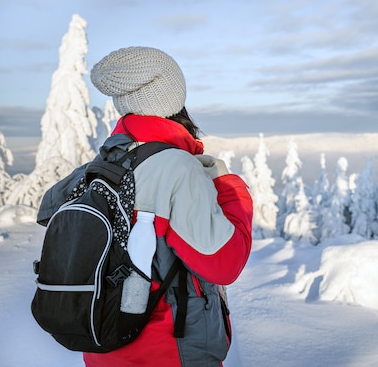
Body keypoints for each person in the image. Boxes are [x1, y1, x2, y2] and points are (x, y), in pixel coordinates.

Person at [39, 46, 253, 366]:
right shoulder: (176, 169)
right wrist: (230, 189)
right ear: (172, 98)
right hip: (168, 351)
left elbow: (48, 210)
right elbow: (223, 263)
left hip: (105, 344)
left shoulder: (102, 165)